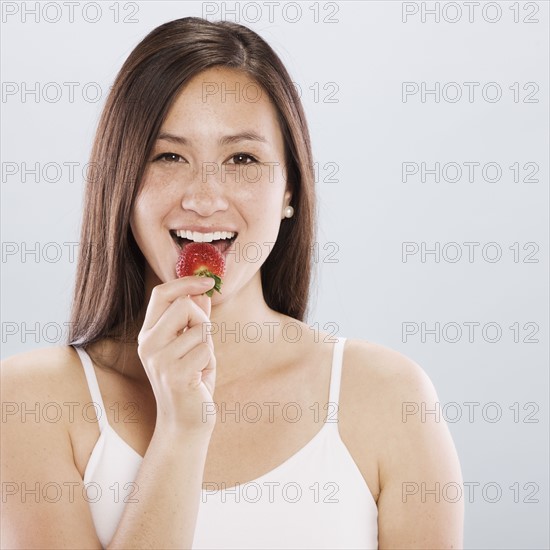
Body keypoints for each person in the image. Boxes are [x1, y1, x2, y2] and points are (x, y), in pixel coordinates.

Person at [1, 17, 463, 549]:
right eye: (168, 156)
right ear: (120, 183)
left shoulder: (390, 399)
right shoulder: (29, 402)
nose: (204, 198)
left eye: (242, 158)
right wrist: (180, 432)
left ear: (291, 189)